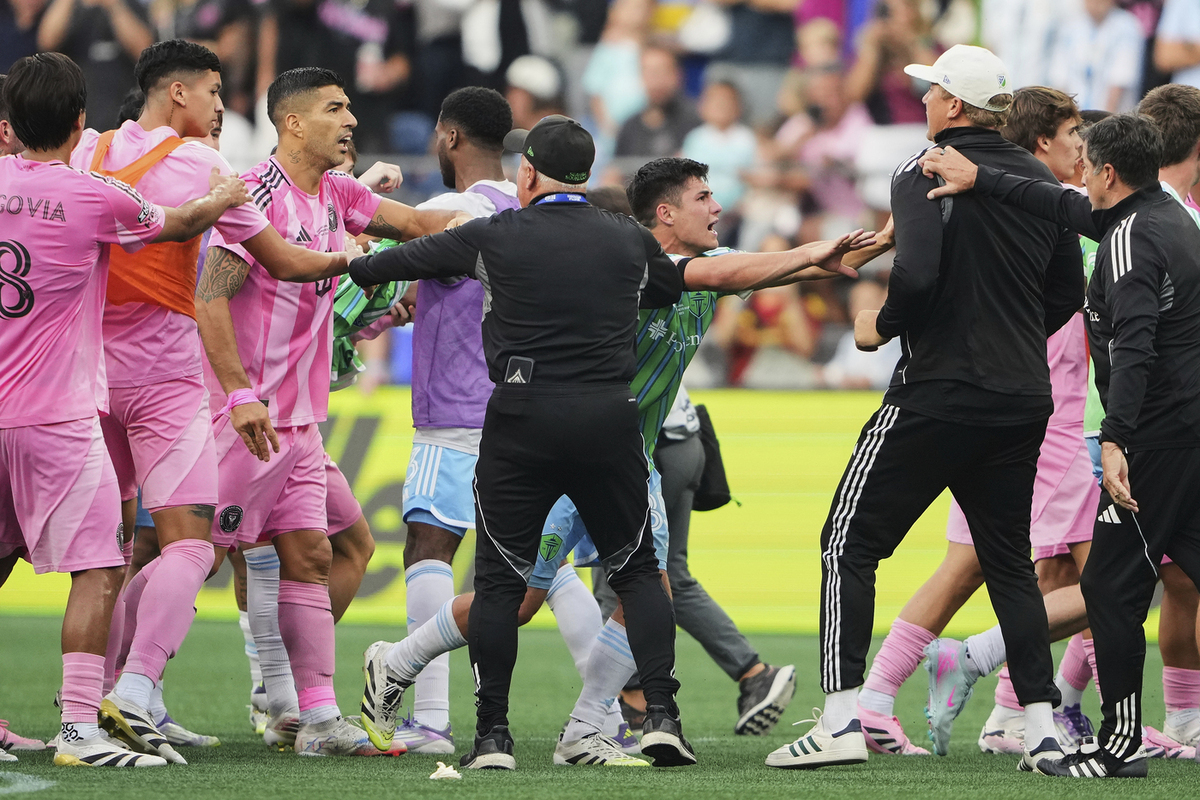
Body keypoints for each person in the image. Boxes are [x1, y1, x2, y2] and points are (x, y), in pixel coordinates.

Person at [357, 155, 874, 767]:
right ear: (666, 213)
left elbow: (771, 268)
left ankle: (585, 726)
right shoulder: (621, 267)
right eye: (703, 197)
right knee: (519, 602)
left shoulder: (708, 261)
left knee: (647, 589)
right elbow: (735, 271)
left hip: (628, 455)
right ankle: (398, 661)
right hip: (567, 454)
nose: (717, 207)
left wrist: (870, 241)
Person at [769, 44, 1084, 774]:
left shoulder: (924, 167)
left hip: (937, 391)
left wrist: (878, 325)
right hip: (1020, 398)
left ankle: (842, 721)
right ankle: (1040, 729)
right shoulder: (1041, 180)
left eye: (933, 89)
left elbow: (915, 276)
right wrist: (1009, 338)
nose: (924, 99)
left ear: (954, 105)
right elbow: (1066, 294)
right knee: (1010, 565)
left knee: (847, 544)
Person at [920, 112, 1200, 778]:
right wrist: (984, 178)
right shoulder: (1165, 217)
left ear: (1108, 172)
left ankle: (1119, 745)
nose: (1078, 174)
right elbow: (1060, 205)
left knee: (1109, 584)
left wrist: (1118, 439)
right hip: (1186, 431)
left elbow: (1134, 347)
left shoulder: (1130, 240)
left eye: (1086, 163)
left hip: (1159, 437)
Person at [194, 66, 452, 758]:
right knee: (188, 552)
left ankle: (310, 714)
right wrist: (239, 394)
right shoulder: (253, 194)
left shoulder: (338, 192)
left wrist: (493, 225)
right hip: (244, 417)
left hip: (298, 420)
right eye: (336, 109)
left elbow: (418, 225)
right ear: (294, 122)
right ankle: (116, 696)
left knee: (316, 553)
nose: (352, 120)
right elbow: (210, 295)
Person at [0, 51, 248, 769]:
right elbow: (180, 223)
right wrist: (225, 196)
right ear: (79, 120)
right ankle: (82, 726)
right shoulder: (92, 195)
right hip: (57, 414)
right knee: (101, 568)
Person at [36, 0, 154, 132]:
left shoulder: (130, 6)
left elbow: (145, 51)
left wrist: (113, 6)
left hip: (123, 116)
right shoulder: (65, 9)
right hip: (75, 118)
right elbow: (46, 42)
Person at [1048, 0, 1144, 113]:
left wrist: (1104, 120)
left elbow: (1120, 81)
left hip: (1113, 116)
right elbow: (1059, 79)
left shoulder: (1127, 26)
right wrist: (1066, 116)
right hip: (1074, 113)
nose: (1095, 3)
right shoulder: (1070, 26)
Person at [615, 46, 701, 158]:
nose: (656, 81)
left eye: (662, 71)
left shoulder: (698, 120)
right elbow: (618, 165)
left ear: (678, 74)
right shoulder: (629, 128)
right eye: (649, 72)